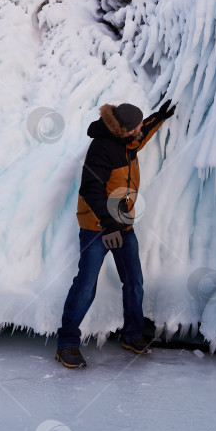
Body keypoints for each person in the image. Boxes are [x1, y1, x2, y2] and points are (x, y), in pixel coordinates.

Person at [55, 99, 176, 368]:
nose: (139, 131)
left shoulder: (126, 139)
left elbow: (139, 137)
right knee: (86, 285)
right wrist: (108, 223)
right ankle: (66, 344)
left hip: (123, 224)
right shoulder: (101, 148)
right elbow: (90, 188)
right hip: (98, 227)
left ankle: (131, 335)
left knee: (134, 282)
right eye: (136, 128)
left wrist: (159, 117)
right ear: (123, 129)